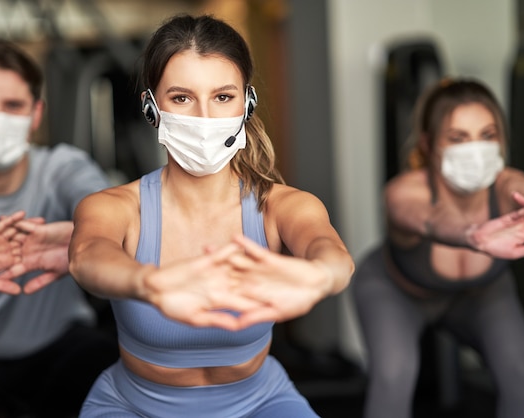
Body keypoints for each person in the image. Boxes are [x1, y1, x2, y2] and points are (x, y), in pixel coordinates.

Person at [68, 13, 355, 418]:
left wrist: (319, 276)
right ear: (152, 109)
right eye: (182, 98)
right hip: (133, 405)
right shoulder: (115, 206)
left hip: (260, 400)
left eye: (223, 97)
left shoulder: (281, 205)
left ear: (247, 103)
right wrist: (152, 283)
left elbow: (332, 253)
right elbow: (87, 256)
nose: (204, 118)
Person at [0, 40, 118, 417]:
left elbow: (108, 205)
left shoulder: (63, 166)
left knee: (111, 375)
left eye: (13, 106)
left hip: (61, 348)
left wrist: (90, 231)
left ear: (35, 114)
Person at [352, 78, 524, 418]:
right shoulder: (405, 192)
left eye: (487, 135)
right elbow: (431, 220)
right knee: (394, 376)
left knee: (521, 373)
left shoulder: (507, 187)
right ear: (429, 145)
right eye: (458, 138)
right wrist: (472, 234)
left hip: (483, 294)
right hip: (396, 292)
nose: (476, 149)